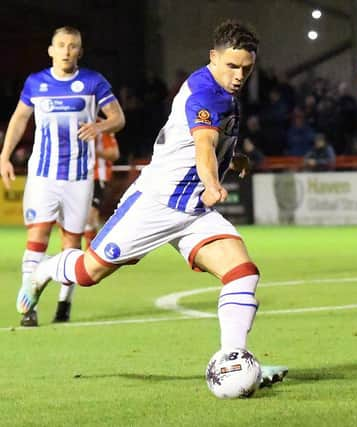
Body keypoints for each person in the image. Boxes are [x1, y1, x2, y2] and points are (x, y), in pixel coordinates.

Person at [19, 20, 287, 385]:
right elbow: (204, 145)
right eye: (232, 66)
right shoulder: (206, 93)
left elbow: (214, 141)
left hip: (193, 211)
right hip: (156, 204)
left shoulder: (225, 92)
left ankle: (233, 361)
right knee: (87, 273)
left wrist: (233, 155)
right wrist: (212, 182)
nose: (240, 75)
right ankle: (45, 271)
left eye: (246, 68)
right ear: (213, 57)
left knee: (242, 273)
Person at [1, 26, 125, 326]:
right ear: (51, 50)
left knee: (72, 242)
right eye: (61, 45)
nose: (67, 51)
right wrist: (4, 155)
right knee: (37, 236)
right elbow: (19, 118)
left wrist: (100, 127)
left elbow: (118, 118)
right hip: (43, 176)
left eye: (73, 46)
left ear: (79, 52)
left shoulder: (93, 82)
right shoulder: (36, 83)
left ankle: (63, 305)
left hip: (80, 177)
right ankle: (29, 308)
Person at [83, 125, 120, 247]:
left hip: (97, 176)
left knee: (90, 216)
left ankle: (90, 252)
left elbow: (114, 154)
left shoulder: (101, 126)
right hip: (77, 177)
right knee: (76, 218)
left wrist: (92, 151)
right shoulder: (76, 121)